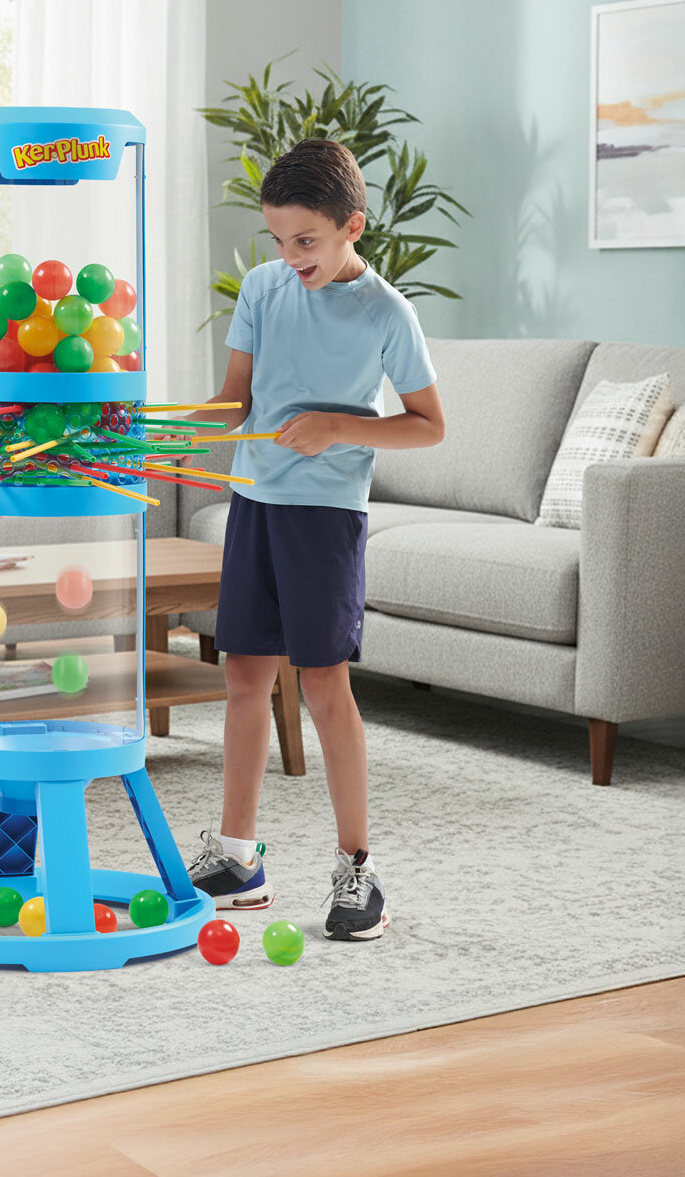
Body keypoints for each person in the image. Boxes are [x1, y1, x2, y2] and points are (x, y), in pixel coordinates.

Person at [182, 138, 446, 941]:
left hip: (326, 516)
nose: (290, 256)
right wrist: (162, 431)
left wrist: (337, 426)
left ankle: (358, 869)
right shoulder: (264, 288)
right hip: (254, 502)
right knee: (243, 677)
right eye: (278, 239)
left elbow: (428, 426)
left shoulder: (386, 312)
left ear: (351, 227)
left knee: (325, 685)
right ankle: (238, 858)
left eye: (306, 240)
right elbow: (235, 399)